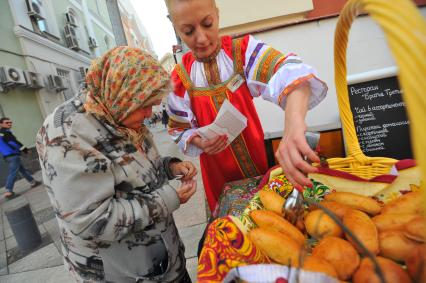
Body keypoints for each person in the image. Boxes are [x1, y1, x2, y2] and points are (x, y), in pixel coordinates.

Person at [36, 47, 197, 283]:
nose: (149, 113)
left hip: (166, 263)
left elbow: (137, 172)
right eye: (145, 105)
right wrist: (168, 198)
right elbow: (92, 220)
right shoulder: (67, 134)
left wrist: (169, 168)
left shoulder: (120, 112)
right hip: (124, 274)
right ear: (124, 93)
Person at [165, 0, 328, 211]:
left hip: (257, 160)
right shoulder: (180, 78)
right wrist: (199, 141)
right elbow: (178, 128)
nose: (202, 38)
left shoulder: (241, 53)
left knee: (266, 211)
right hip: (217, 174)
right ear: (175, 27)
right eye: (188, 31)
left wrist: (294, 123)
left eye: (207, 24)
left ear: (217, 13)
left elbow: (290, 70)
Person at [0, 117, 41, 198]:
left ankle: (33, 182)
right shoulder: (6, 133)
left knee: (22, 170)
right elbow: (13, 143)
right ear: (1, 124)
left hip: (7, 156)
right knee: (13, 173)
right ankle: (9, 191)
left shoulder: (1, 134)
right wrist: (25, 150)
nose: (9, 124)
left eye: (10, 122)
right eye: (7, 123)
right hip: (13, 155)